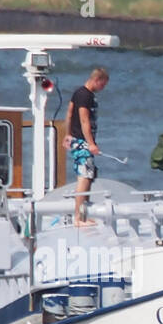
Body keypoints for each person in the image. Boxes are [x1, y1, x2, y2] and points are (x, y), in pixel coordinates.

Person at [63, 67, 109, 226]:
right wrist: (91, 144)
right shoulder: (85, 96)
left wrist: (67, 134)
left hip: (77, 140)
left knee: (88, 176)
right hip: (83, 142)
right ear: (97, 80)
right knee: (83, 177)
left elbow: (69, 114)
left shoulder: (78, 93)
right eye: (103, 85)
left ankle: (84, 214)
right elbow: (84, 120)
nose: (103, 88)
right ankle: (78, 217)